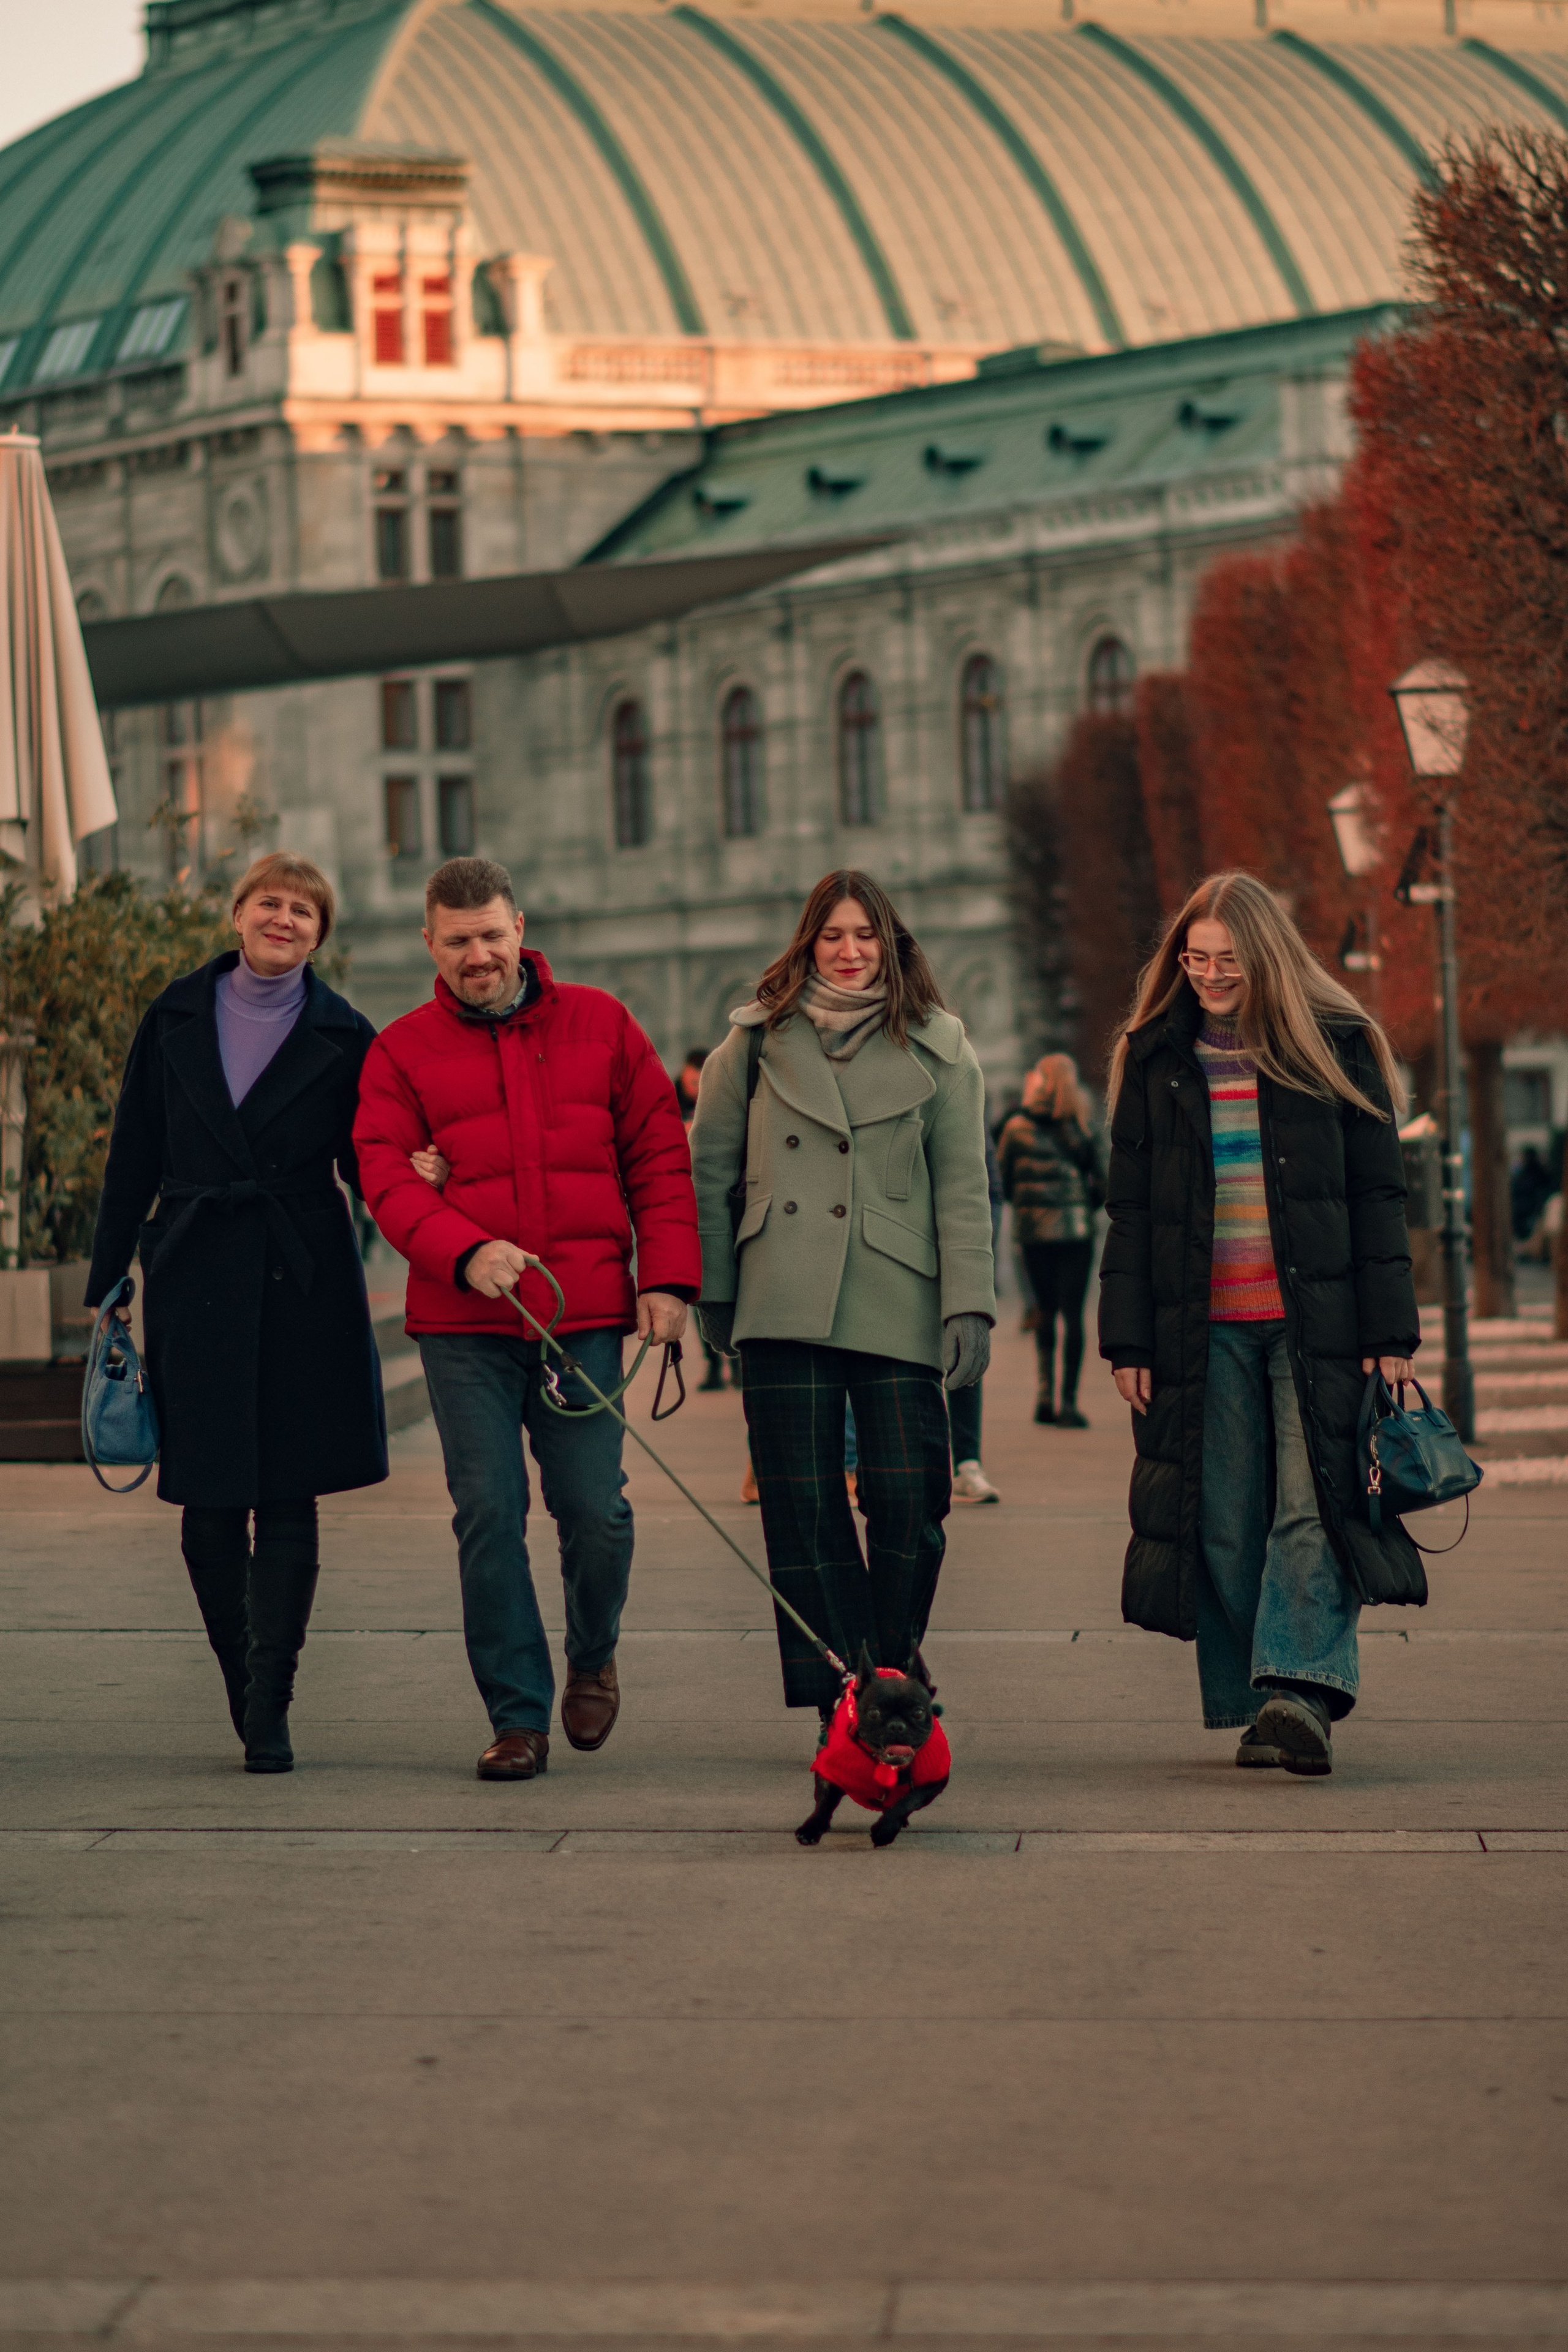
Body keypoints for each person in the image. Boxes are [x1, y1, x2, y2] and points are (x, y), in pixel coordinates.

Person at [351, 858, 700, 1782]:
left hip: (581, 1316)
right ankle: (517, 1717)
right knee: (488, 1514)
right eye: (458, 940)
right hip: (464, 1327)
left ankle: (592, 1653)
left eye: (491, 935)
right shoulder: (399, 1051)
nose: (478, 955)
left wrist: (667, 1280)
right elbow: (382, 1173)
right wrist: (465, 1251)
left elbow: (660, 1156)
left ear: (520, 928)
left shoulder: (604, 1024)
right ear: (431, 943)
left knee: (597, 1513)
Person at [1098, 870, 1422, 1779]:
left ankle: (1300, 1691)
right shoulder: (1158, 1055)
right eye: (1196, 960)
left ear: (1266, 955)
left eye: (1227, 961)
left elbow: (1377, 1197)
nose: (1209, 976)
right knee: (1226, 1519)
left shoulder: (1337, 1045)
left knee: (1310, 1504)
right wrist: (1126, 1340)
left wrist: (1391, 1335)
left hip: (1315, 1322)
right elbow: (1131, 1212)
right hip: (1203, 1332)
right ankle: (1261, 1690)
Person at [85, 853, 387, 1773]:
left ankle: (273, 1705)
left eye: (302, 910)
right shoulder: (174, 1015)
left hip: (303, 1275)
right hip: (194, 1267)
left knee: (289, 1495)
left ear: (320, 932)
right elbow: (133, 1149)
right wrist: (108, 1280)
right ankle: (244, 1686)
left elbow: (373, 1159)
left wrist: (424, 1189)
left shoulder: (348, 1033)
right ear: (238, 914)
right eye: (269, 903)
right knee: (209, 1502)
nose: (283, 919)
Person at [690, 870, 995, 1733]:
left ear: (891, 944)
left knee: (910, 1498)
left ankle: (889, 1666)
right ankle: (845, 1697)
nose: (850, 952)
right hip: (781, 1293)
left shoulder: (941, 1047)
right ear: (808, 944)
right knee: (803, 1507)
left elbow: (965, 1190)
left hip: (896, 1294)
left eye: (866, 935)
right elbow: (709, 1172)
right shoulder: (750, 1045)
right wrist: (715, 1290)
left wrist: (969, 1303)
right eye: (833, 936)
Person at [998, 1054, 1105, 1428]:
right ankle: (1069, 1404)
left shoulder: (1016, 1128)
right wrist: (1081, 1206)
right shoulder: (1083, 1127)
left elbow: (1005, 1182)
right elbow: (1104, 1185)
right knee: (1073, 1317)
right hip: (1075, 1234)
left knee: (1044, 1311)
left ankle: (1044, 1396)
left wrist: (1029, 1206)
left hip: (1033, 1235)